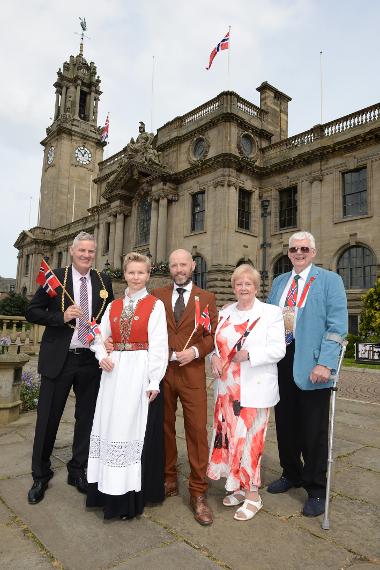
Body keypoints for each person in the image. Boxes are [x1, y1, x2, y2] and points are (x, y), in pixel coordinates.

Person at [26, 232, 114, 504]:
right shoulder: (56, 278)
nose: (86, 255)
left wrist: (109, 337)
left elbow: (108, 316)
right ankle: (40, 475)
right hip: (59, 359)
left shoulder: (103, 280)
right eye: (82, 251)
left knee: (86, 419)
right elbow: (32, 312)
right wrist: (59, 317)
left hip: (90, 360)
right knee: (48, 419)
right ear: (72, 251)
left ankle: (77, 470)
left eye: (90, 251)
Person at [266, 231, 348, 517]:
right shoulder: (279, 283)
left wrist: (325, 363)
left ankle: (315, 487)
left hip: (313, 365)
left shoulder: (330, 281)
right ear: (288, 253)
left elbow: (337, 325)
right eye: (293, 249)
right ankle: (292, 473)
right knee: (286, 424)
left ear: (313, 252)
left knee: (313, 430)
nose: (298, 253)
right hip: (281, 361)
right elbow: (266, 320)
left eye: (304, 249)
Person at [86, 252, 168, 519]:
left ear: (148, 275)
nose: (136, 277)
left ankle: (127, 497)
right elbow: (98, 336)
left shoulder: (155, 305)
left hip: (138, 372)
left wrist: (154, 379)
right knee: (109, 426)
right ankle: (105, 491)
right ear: (125, 274)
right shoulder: (113, 306)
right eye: (131, 272)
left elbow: (159, 346)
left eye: (141, 273)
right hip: (114, 373)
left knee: (129, 429)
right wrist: (102, 356)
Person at [208, 264, 286, 521]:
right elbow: (217, 345)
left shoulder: (270, 313)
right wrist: (214, 358)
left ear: (256, 287)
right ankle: (239, 487)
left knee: (251, 442)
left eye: (248, 284)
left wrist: (250, 354)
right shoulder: (225, 312)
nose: (243, 288)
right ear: (233, 287)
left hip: (255, 389)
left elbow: (279, 350)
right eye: (239, 284)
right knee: (231, 439)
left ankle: (254, 495)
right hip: (227, 389)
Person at [151, 249, 218, 526]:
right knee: (164, 428)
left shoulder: (207, 298)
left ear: (193, 265)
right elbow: (148, 329)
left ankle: (198, 491)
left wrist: (196, 351)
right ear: (170, 268)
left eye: (183, 264)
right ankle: (168, 478)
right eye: (174, 265)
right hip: (163, 373)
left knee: (197, 431)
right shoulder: (157, 296)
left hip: (192, 374)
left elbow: (212, 336)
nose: (179, 269)